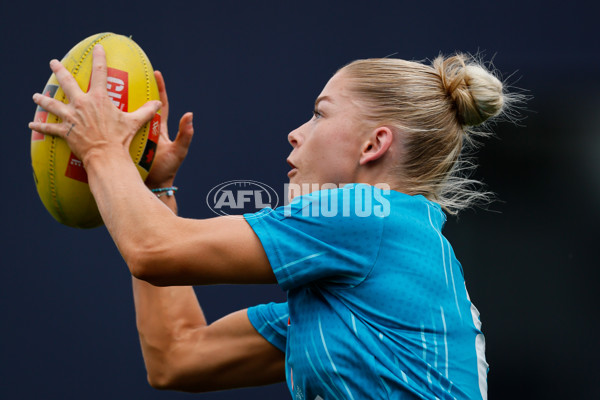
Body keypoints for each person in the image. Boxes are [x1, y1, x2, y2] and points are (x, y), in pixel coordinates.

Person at [30, 45, 512, 399]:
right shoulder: (359, 290)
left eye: (319, 114)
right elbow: (178, 357)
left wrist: (101, 148)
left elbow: (155, 250)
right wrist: (154, 189)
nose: (296, 133)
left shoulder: (368, 215)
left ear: (374, 145)